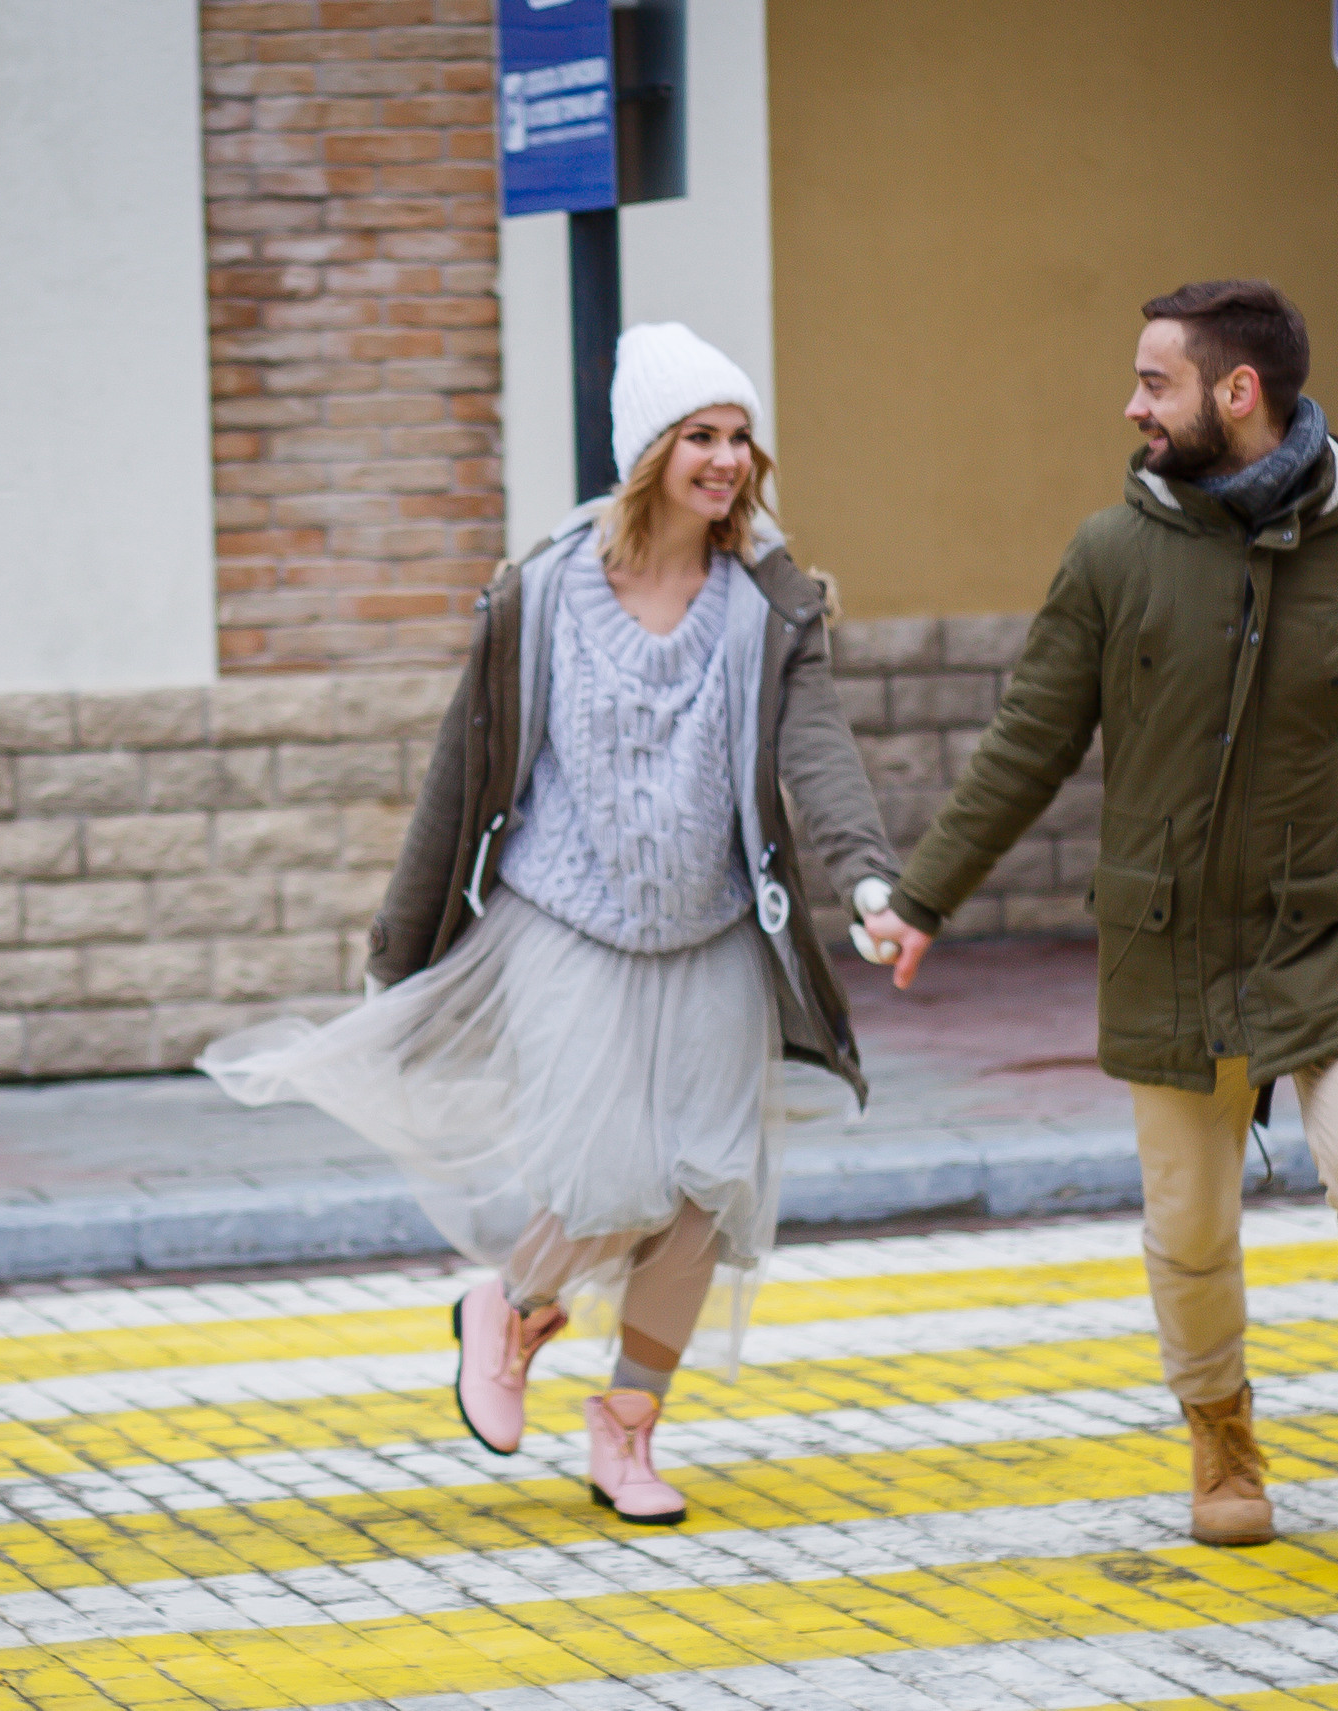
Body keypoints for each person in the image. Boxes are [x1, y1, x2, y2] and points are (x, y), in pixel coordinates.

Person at [202, 323, 902, 1526]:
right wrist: (396, 943)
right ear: (647, 453)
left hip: (716, 928)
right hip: (565, 919)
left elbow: (816, 755)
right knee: (606, 1179)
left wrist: (873, 885)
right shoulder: (539, 596)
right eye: (701, 436)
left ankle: (627, 1428)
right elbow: (455, 780)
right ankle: (509, 1304)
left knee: (704, 1189)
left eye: (739, 438)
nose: (727, 460)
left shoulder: (767, 604)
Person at [862, 281, 1338, 1549]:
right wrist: (925, 895)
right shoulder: (1111, 554)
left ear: (1236, 394)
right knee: (1190, 1223)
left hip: (1336, 924)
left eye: (1155, 382)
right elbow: (1027, 740)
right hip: (1168, 942)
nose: (1132, 405)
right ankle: (1222, 1442)